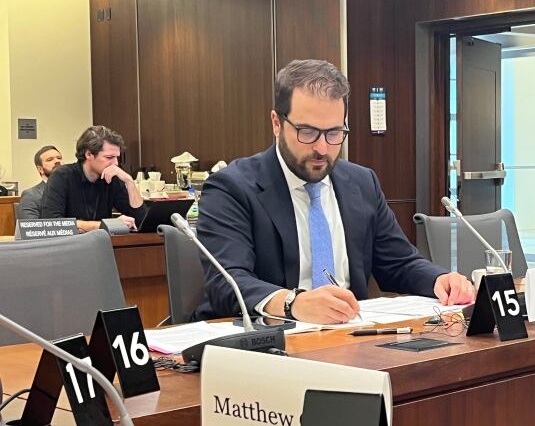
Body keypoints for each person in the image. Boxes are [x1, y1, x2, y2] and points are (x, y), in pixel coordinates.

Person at [194, 59, 474, 324]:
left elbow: (398, 263)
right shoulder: (232, 187)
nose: (322, 148)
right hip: (268, 347)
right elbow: (227, 280)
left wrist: (439, 280)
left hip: (348, 337)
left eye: (334, 133)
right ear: (276, 123)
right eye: (307, 132)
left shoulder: (361, 183)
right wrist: (293, 303)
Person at [41, 126, 146, 232]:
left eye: (117, 157)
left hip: (101, 244)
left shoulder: (112, 178)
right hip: (70, 245)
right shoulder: (61, 176)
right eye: (109, 157)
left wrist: (129, 181)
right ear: (89, 154)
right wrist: (107, 225)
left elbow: (140, 221)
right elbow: (52, 224)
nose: (116, 163)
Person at [18, 145, 62, 219]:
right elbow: (31, 228)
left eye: (59, 158)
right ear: (40, 169)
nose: (57, 161)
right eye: (50, 159)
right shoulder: (31, 195)